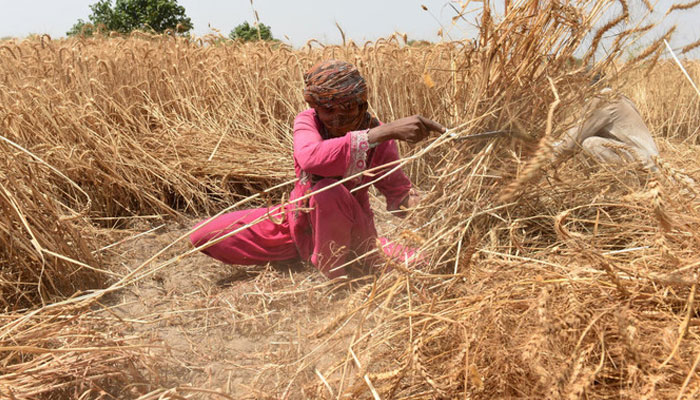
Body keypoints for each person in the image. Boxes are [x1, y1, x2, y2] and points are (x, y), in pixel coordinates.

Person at [190, 60, 445, 279]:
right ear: (316, 108)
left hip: (352, 236)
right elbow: (311, 157)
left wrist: (438, 209)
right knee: (204, 235)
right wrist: (384, 131)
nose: (337, 117)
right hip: (297, 224)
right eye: (328, 109)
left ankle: (336, 274)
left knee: (327, 192)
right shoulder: (308, 121)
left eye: (347, 107)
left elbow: (398, 193)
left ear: (362, 104)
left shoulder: (380, 139)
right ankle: (306, 254)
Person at [551, 90, 659, 172]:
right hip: (647, 159)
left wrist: (542, 159)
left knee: (590, 144)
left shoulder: (602, 101)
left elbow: (571, 142)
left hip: (645, 164)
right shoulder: (617, 97)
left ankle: (629, 188)